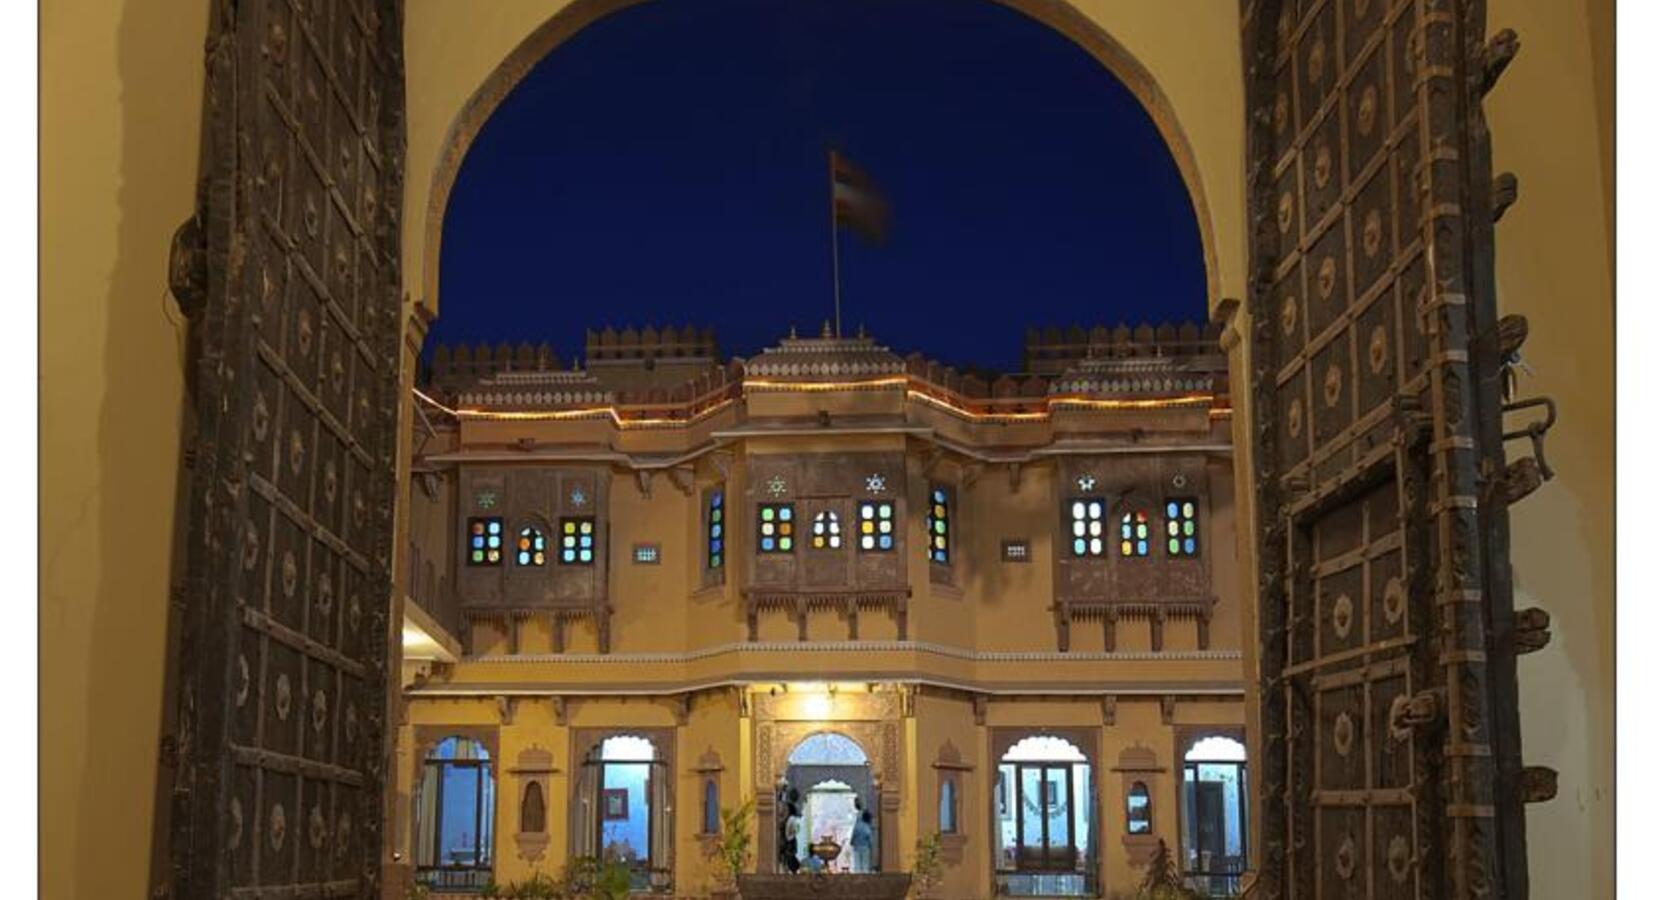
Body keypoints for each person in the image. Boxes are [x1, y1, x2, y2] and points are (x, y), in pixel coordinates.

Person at [850, 809, 874, 873]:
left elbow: (853, 836)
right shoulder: (867, 826)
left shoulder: (857, 826)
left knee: (857, 864)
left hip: (857, 847)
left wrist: (852, 842)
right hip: (865, 847)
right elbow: (869, 837)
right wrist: (871, 845)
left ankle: (857, 877)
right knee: (865, 865)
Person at [782, 802, 803, 873]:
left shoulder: (791, 819)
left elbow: (792, 830)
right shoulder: (791, 819)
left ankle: (794, 868)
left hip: (790, 840)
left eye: (786, 809)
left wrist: (789, 838)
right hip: (791, 840)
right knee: (790, 857)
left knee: (790, 857)